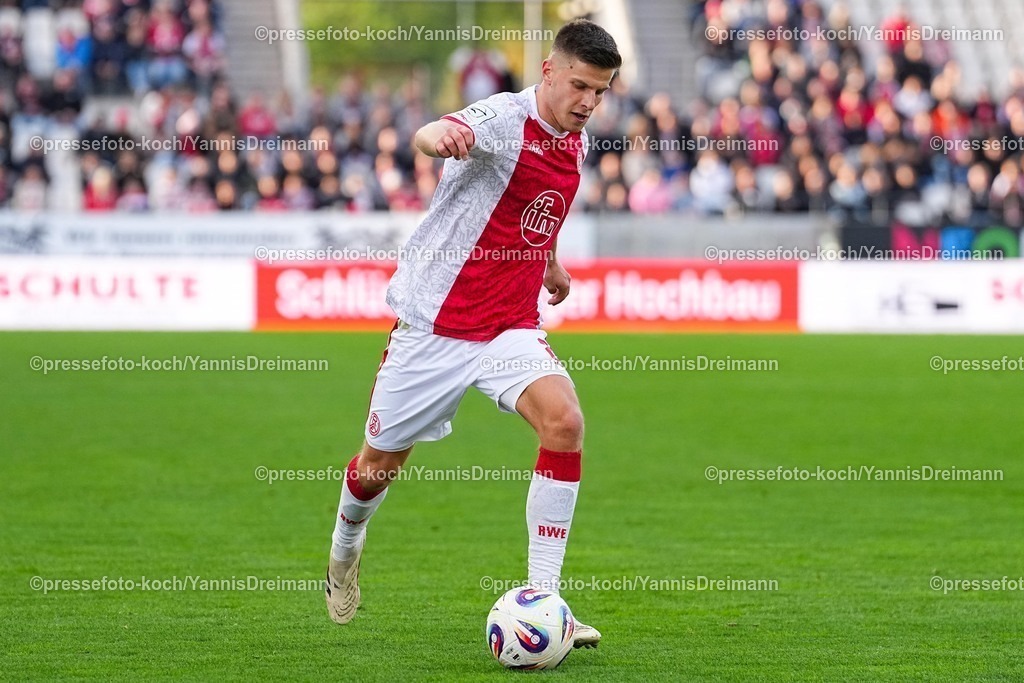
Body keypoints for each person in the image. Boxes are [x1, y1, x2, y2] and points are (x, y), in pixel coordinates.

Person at [324, 19, 621, 650]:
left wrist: (549, 261)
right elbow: (434, 132)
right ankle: (346, 545)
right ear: (548, 70)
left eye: (600, 91)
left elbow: (539, 208)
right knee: (378, 468)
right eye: (579, 86)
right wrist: (441, 137)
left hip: (508, 325)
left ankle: (545, 602)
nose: (589, 102)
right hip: (435, 324)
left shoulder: (576, 140)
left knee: (565, 423)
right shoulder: (503, 118)